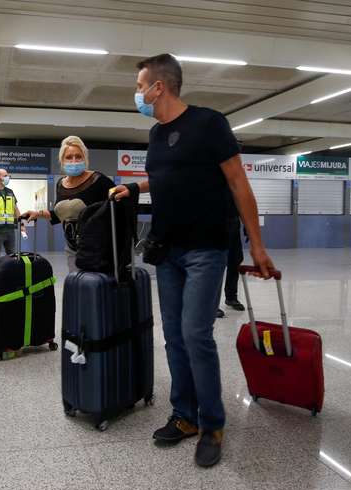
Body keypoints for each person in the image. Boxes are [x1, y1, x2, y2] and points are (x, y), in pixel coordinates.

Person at [112, 53, 275, 468]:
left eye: (139, 86)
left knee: (195, 333)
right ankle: (184, 416)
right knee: (174, 336)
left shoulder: (209, 124)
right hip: (167, 250)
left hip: (206, 248)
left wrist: (256, 244)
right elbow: (171, 175)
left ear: (159, 87)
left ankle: (212, 423)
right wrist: (135, 187)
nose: (137, 94)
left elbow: (238, 182)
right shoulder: (154, 135)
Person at [23, 135, 115, 272]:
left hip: (98, 249)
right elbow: (59, 213)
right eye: (69, 157)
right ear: (62, 160)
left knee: (96, 288)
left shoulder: (99, 180)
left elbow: (117, 208)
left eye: (78, 156)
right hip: (72, 248)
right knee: (77, 285)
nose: (74, 161)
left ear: (85, 158)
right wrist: (38, 213)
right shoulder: (61, 184)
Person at [218, 194, 246, 317]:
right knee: (216, 266)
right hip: (215, 227)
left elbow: (242, 204)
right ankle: (211, 304)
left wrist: (247, 226)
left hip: (233, 225)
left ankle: (231, 297)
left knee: (235, 261)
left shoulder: (234, 182)